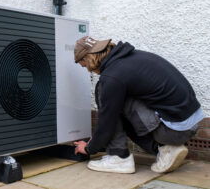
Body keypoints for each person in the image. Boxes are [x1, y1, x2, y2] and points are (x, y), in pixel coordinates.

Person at [73, 36, 204, 174]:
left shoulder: (113, 76)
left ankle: (119, 158)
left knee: (104, 92)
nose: (88, 70)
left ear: (89, 59)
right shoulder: (131, 58)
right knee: (115, 100)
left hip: (174, 130)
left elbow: (107, 121)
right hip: (188, 124)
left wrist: (89, 148)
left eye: (84, 65)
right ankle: (165, 150)